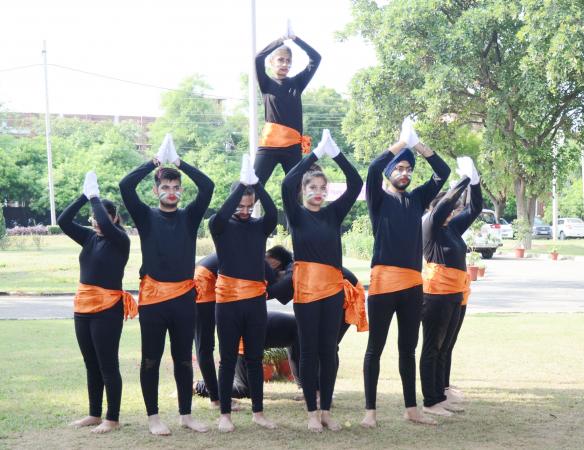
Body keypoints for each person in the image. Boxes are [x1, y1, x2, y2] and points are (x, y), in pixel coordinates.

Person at [119, 134, 214, 435]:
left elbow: (208, 187)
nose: (171, 192)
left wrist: (179, 162)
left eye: (175, 188)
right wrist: (155, 162)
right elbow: (125, 186)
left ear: (181, 191)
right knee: (151, 359)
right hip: (153, 299)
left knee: (184, 359)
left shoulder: (189, 218)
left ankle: (186, 415)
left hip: (184, 299)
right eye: (165, 187)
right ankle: (153, 417)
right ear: (156, 190)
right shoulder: (146, 216)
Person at [361, 118, 451, 428]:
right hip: (384, 283)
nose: (405, 173)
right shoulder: (379, 199)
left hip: (413, 285)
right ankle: (370, 412)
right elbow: (373, 170)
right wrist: (400, 143)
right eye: (399, 168)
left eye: (408, 169)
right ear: (390, 173)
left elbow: (444, 173)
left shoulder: (416, 200)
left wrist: (418, 147)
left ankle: (412, 409)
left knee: (407, 349)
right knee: (376, 347)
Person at [282, 130, 363, 432]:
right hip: (305, 290)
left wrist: (337, 153)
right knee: (308, 349)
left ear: (326, 191)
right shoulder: (297, 215)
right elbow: (287, 182)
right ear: (304, 192)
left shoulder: (333, 214)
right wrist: (315, 154)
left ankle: (326, 409)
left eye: (321, 187)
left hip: (332, 290)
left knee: (328, 349)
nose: (317, 191)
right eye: (311, 187)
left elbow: (356, 183)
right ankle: (311, 412)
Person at [58, 171, 136, 434]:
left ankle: (112, 417)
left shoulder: (120, 240)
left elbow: (102, 217)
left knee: (107, 364)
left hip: (107, 308)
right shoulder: (90, 237)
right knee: (91, 363)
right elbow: (63, 220)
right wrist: (84, 196)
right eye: (94, 218)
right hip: (83, 307)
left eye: (102, 218)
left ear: (115, 218)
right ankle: (94, 413)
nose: (96, 222)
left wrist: (96, 197)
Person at [209, 155, 278, 432]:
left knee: (254, 358)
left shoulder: (259, 227)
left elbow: (272, 213)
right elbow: (220, 215)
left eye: (250, 206)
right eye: (241, 205)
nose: (246, 210)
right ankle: (224, 414)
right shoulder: (221, 226)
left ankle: (258, 412)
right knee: (227, 359)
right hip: (227, 302)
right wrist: (241, 185)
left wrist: (256, 184)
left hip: (254, 302)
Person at [421, 157, 482, 413]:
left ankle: (441, 394)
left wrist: (475, 182)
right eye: (449, 209)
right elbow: (443, 205)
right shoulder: (430, 226)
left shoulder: (452, 228)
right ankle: (431, 401)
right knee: (432, 347)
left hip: (456, 293)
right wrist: (463, 179)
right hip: (436, 295)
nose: (453, 212)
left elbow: (475, 208)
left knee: (445, 346)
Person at [193, 253, 277, 411]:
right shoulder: (257, 258)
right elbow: (271, 281)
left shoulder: (240, 248)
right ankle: (215, 399)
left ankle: (215, 396)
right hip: (203, 282)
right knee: (205, 344)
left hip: (204, 279)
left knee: (205, 344)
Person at [254, 31, 321, 185]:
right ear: (271, 62)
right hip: (270, 144)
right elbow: (258, 58)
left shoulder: (297, 83)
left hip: (292, 147)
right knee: (253, 186)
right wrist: (280, 40)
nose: (285, 64)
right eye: (281, 60)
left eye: (288, 61)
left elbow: (316, 58)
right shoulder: (266, 83)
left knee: (295, 191)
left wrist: (295, 39)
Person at [194, 310, 300, 400]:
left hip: (256, 328)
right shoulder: (303, 330)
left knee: (298, 338)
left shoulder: (300, 329)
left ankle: (308, 389)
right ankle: (197, 386)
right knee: (242, 389)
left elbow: (297, 354)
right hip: (244, 335)